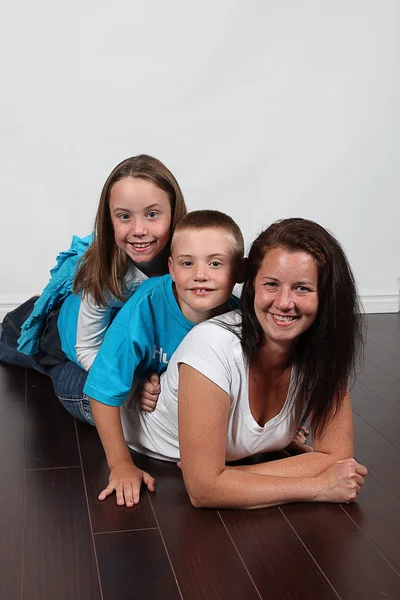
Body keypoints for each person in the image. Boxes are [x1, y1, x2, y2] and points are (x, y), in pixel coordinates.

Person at [120, 217, 368, 509]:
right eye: (271, 284)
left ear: (325, 296)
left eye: (302, 288)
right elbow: (202, 491)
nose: (284, 302)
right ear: (252, 287)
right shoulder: (211, 345)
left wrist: (225, 477)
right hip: (135, 425)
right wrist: (315, 486)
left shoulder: (324, 351)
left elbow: (337, 460)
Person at [0, 154, 186, 412]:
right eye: (124, 216)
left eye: (152, 214)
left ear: (174, 213)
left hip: (109, 337)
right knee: (18, 346)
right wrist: (133, 383)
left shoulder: (188, 262)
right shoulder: (107, 276)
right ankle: (36, 320)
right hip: (62, 340)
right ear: (109, 220)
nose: (139, 229)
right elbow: (86, 348)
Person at [83, 210, 245, 506]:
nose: (200, 274)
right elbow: (101, 389)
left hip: (136, 377)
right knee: (54, 369)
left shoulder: (237, 319)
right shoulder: (146, 307)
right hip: (93, 366)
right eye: (187, 263)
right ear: (171, 268)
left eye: (216, 263)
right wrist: (120, 464)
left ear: (238, 272)